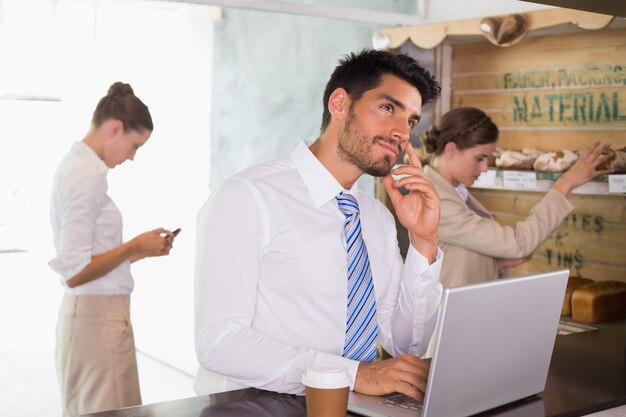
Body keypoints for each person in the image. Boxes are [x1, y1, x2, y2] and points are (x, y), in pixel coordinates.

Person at [194, 49, 443, 402]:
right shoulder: (247, 196)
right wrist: (352, 375)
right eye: (388, 108)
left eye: (412, 121)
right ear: (339, 104)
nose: (402, 132)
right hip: (255, 406)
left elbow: (405, 344)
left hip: (353, 405)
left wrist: (423, 240)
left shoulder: (377, 218)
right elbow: (218, 341)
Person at [49, 82, 179, 417]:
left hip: (94, 318)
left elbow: (89, 259)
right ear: (115, 128)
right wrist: (134, 245)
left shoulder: (81, 169)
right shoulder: (84, 174)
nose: (133, 156)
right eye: (135, 145)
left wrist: (141, 250)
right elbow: (76, 272)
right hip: (96, 321)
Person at [421, 107, 614, 288]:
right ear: (451, 150)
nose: (485, 167)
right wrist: (566, 184)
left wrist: (494, 261)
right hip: (450, 318)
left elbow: (452, 253)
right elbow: (517, 244)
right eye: (479, 158)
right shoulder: (435, 200)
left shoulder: (451, 191)